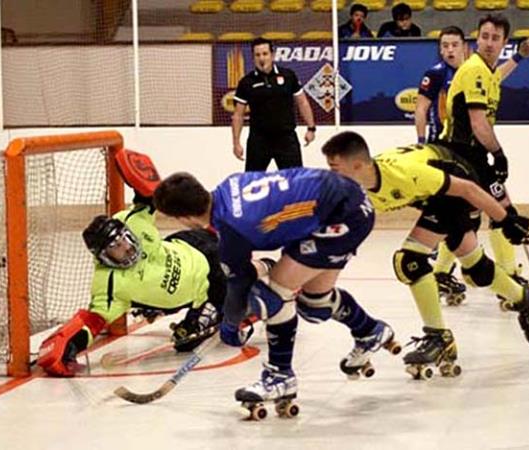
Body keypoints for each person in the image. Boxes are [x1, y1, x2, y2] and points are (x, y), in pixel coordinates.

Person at [153, 168, 399, 417]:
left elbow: (239, 285)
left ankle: (279, 377)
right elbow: (246, 270)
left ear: (184, 219)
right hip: (348, 199)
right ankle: (369, 331)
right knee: (315, 305)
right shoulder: (231, 183)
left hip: (343, 217)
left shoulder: (231, 228)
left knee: (272, 295)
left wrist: (231, 322)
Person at [321, 131, 529, 379]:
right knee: (475, 266)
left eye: (334, 168)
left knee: (409, 260)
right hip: (434, 196)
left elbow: (468, 189)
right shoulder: (357, 190)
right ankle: (524, 297)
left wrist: (506, 220)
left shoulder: (405, 174)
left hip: (458, 181)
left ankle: (438, 337)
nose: (330, 176)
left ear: (357, 165)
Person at [36, 187, 271, 377]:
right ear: (104, 257)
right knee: (184, 342)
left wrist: (140, 178)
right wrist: (65, 344)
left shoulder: (131, 220)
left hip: (196, 247)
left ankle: (269, 269)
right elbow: (93, 321)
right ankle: (239, 286)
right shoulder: (109, 285)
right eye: (115, 249)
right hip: (203, 291)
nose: (126, 248)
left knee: (242, 294)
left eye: (124, 240)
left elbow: (149, 195)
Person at [414, 25, 529, 304]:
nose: (449, 50)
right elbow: (424, 109)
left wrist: (518, 57)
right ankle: (506, 278)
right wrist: (422, 141)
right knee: (501, 211)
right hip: (456, 150)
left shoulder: (478, 69)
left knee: (464, 218)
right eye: (444, 45)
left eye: (453, 44)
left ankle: (444, 271)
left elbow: (495, 78)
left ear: (464, 46)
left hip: (469, 150)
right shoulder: (441, 73)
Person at [232, 38, 317, 172]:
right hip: (258, 140)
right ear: (253, 57)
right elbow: (238, 115)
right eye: (258, 55)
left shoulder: (288, 76)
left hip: (286, 139)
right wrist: (236, 143)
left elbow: (302, 102)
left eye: (265, 54)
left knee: (295, 182)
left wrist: (311, 128)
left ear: (272, 55)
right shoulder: (246, 82)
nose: (262, 58)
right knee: (251, 183)